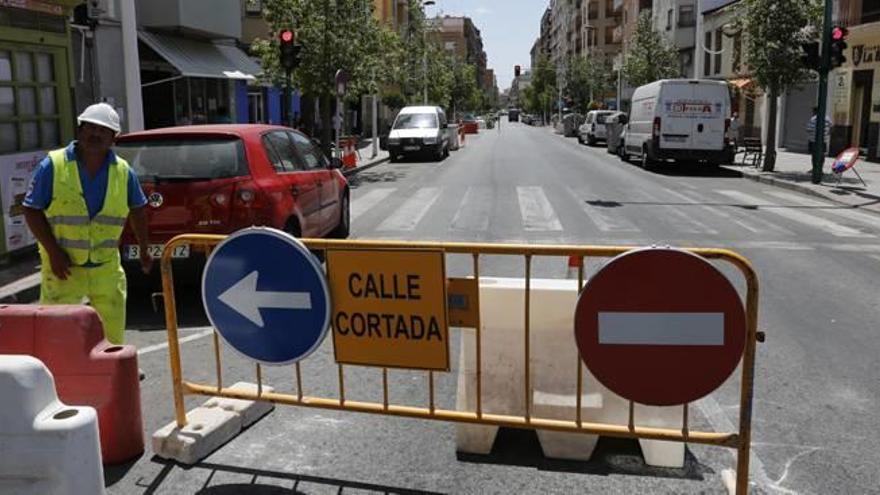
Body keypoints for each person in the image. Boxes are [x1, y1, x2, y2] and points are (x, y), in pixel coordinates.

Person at [23, 103, 151, 350]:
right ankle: (57, 375)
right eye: (90, 128)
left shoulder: (123, 171)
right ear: (79, 131)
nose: (96, 134)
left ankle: (113, 373)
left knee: (112, 331)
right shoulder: (53, 165)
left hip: (105, 267)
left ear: (114, 138)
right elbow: (31, 209)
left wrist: (144, 249)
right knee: (56, 331)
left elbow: (137, 209)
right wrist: (53, 252)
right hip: (63, 266)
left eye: (103, 130)